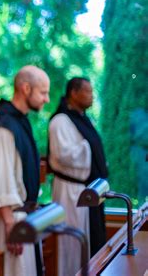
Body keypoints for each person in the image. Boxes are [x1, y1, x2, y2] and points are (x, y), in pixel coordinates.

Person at [0, 65, 50, 276]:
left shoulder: (19, 121)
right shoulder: (3, 127)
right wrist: (10, 224)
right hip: (8, 222)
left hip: (21, 218)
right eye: (43, 92)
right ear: (26, 88)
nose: (46, 99)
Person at [48, 77, 108, 276]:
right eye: (87, 92)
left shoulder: (82, 118)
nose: (91, 96)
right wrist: (89, 148)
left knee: (91, 241)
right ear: (73, 93)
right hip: (71, 193)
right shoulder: (60, 121)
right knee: (73, 244)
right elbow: (64, 155)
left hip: (87, 190)